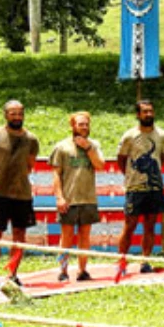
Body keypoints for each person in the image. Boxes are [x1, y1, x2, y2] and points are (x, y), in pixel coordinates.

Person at [0, 101, 40, 291]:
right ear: (5, 114)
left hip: (22, 194)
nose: (16, 117)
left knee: (19, 235)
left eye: (20, 113)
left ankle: (13, 274)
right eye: (13, 113)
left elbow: (29, 165)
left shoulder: (31, 139)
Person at [50, 112, 105, 282]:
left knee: (85, 236)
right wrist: (59, 197)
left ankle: (82, 270)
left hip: (88, 198)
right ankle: (63, 270)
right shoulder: (62, 147)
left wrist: (88, 148)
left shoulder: (94, 145)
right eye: (81, 124)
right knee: (66, 236)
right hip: (69, 198)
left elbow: (101, 166)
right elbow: (56, 174)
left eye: (87, 124)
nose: (84, 127)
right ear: (73, 126)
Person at [117, 101, 164, 272]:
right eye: (144, 112)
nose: (148, 114)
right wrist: (131, 176)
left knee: (150, 225)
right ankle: (122, 261)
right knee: (130, 225)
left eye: (151, 111)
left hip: (154, 188)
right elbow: (121, 159)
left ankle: (145, 260)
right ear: (138, 115)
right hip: (134, 188)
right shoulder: (129, 136)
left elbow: (162, 157)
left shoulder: (162, 135)